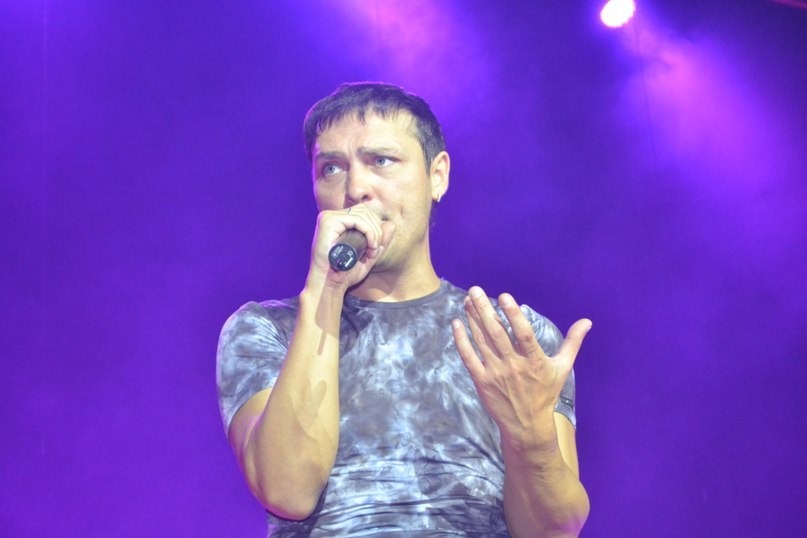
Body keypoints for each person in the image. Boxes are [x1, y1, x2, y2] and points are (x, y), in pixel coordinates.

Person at [216, 82, 591, 537]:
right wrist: (327, 287)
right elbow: (288, 491)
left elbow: (554, 532)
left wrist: (530, 437)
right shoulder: (266, 330)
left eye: (381, 161)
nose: (355, 188)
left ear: (438, 176)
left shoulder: (511, 337)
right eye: (331, 168)